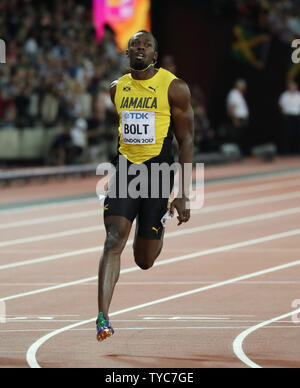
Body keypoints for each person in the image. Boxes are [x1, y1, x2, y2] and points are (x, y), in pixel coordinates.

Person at [96, 30, 194, 342]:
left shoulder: (174, 87)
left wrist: (183, 194)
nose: (140, 48)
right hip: (125, 170)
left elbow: (187, 139)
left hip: (158, 174)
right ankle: (102, 318)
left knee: (144, 260)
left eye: (146, 44)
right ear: (127, 53)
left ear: (154, 55)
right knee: (113, 240)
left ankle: (156, 221)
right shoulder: (117, 89)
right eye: (135, 44)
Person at [226, 79, 249, 154]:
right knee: (236, 138)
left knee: (241, 138)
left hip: (242, 119)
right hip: (237, 119)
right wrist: (235, 120)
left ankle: (240, 153)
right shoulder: (233, 94)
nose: (244, 88)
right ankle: (235, 154)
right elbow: (232, 107)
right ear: (239, 86)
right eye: (243, 86)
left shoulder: (239, 94)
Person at [279, 80, 300, 155]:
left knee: (298, 134)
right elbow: (281, 105)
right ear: (289, 87)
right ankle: (286, 152)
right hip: (288, 116)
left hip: (297, 116)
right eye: (291, 86)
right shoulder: (285, 95)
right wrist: (284, 114)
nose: (293, 88)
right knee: (287, 134)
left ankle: (298, 151)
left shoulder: (298, 95)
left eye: (294, 86)